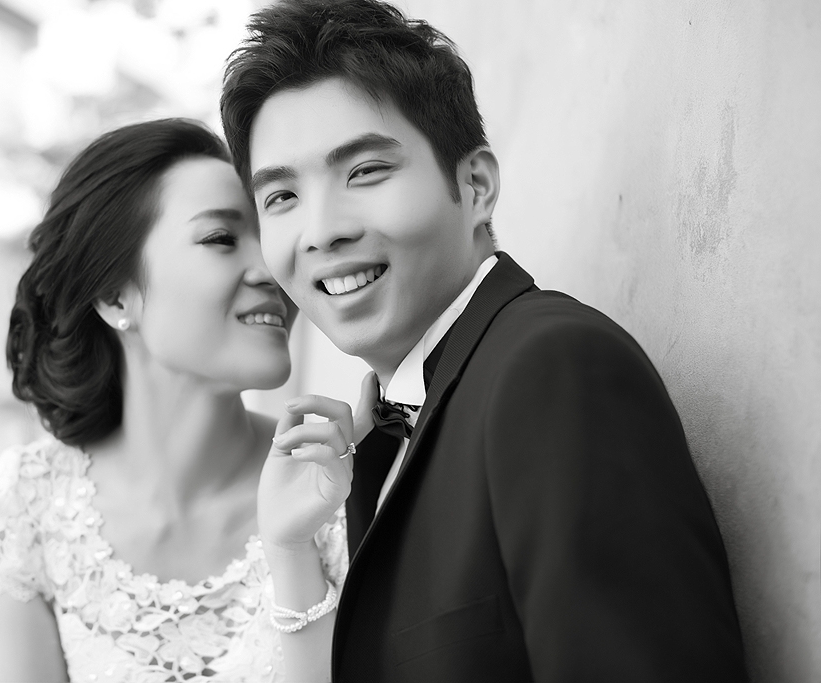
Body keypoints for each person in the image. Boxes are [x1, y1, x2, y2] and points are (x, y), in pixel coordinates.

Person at [221, 1, 749, 681]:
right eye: (281, 198)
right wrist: (292, 549)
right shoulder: (377, 435)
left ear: (475, 186)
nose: (322, 231)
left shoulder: (553, 370)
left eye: (366, 171)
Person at [0, 119, 348, 683]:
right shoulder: (29, 502)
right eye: (221, 238)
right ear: (113, 295)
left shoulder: (335, 489)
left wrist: (293, 551)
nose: (272, 267)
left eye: (269, 233)